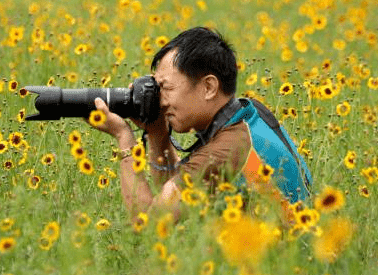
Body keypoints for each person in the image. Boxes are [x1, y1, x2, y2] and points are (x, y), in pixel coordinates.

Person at [89, 26, 312, 221]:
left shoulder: (228, 149)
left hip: (279, 262)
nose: (160, 99)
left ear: (208, 87)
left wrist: (124, 138)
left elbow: (147, 223)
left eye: (166, 88)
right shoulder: (248, 116)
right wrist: (158, 134)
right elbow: (171, 190)